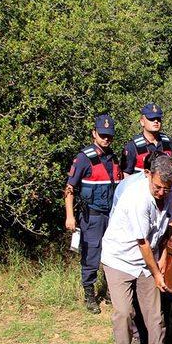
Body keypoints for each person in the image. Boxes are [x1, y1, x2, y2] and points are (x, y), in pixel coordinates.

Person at [100, 154, 172, 344]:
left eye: (167, 188)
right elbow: (142, 242)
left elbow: (170, 226)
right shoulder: (138, 198)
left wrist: (163, 256)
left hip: (148, 259)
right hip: (120, 259)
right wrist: (157, 273)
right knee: (124, 312)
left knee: (154, 313)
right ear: (148, 175)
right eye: (157, 187)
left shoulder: (168, 190)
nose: (162, 192)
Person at [65, 114, 122, 314]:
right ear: (94, 134)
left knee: (112, 253)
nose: (106, 139)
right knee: (91, 254)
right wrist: (69, 216)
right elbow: (69, 188)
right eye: (103, 135)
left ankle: (109, 292)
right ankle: (89, 294)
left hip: (112, 216)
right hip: (92, 216)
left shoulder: (114, 159)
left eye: (109, 136)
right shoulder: (83, 158)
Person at [121, 103, 172, 177]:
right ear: (142, 121)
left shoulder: (168, 143)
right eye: (151, 118)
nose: (156, 121)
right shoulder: (132, 146)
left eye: (158, 119)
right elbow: (126, 174)